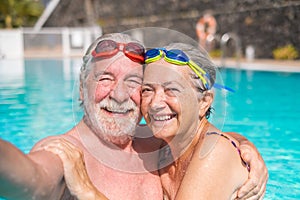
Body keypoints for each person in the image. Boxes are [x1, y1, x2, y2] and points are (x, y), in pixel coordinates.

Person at [0, 33, 267, 200]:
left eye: (133, 82)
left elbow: (209, 144)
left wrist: (239, 143)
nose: (119, 95)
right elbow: (29, 178)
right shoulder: (66, 154)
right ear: (82, 89)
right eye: (106, 78)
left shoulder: (159, 146)